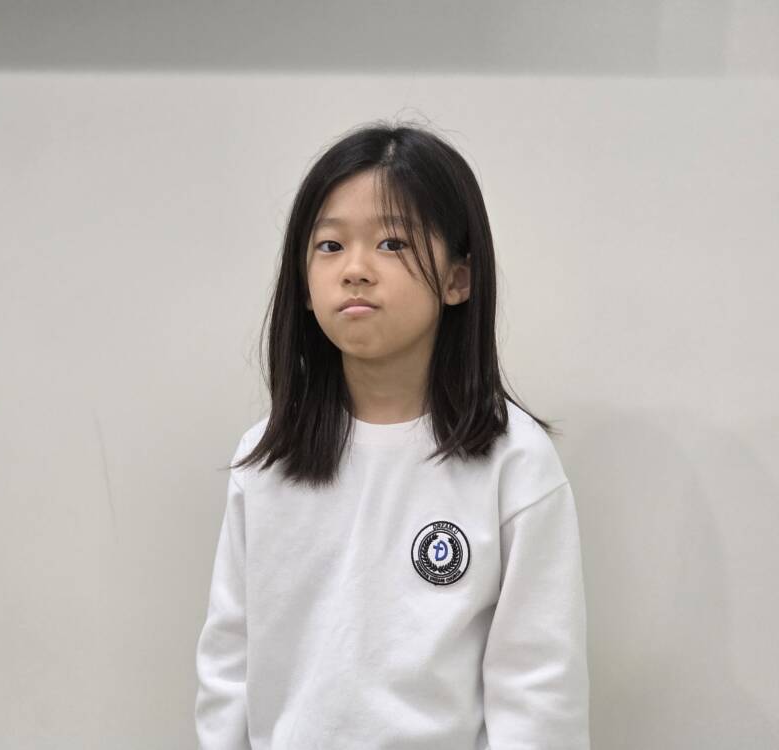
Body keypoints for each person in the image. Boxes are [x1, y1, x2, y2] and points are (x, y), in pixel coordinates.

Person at [194, 121, 590, 749]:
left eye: (393, 242)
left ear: (458, 278)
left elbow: (538, 687)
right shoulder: (265, 459)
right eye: (329, 245)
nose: (355, 269)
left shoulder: (512, 460)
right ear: (303, 284)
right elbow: (228, 662)